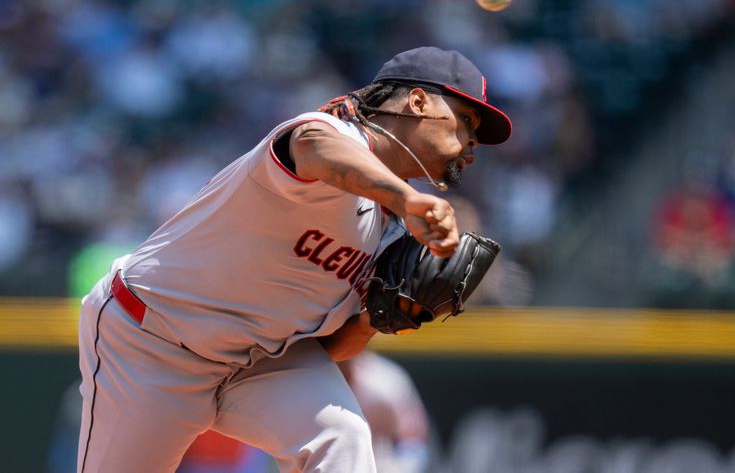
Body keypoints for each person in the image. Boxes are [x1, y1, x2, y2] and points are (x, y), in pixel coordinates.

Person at [76, 46, 512, 472]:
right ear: (418, 101)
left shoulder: (397, 234)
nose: (472, 142)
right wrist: (404, 198)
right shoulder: (333, 134)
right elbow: (311, 144)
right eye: (466, 120)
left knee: (341, 437)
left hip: (260, 362)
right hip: (150, 343)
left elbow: (331, 348)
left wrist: (378, 320)